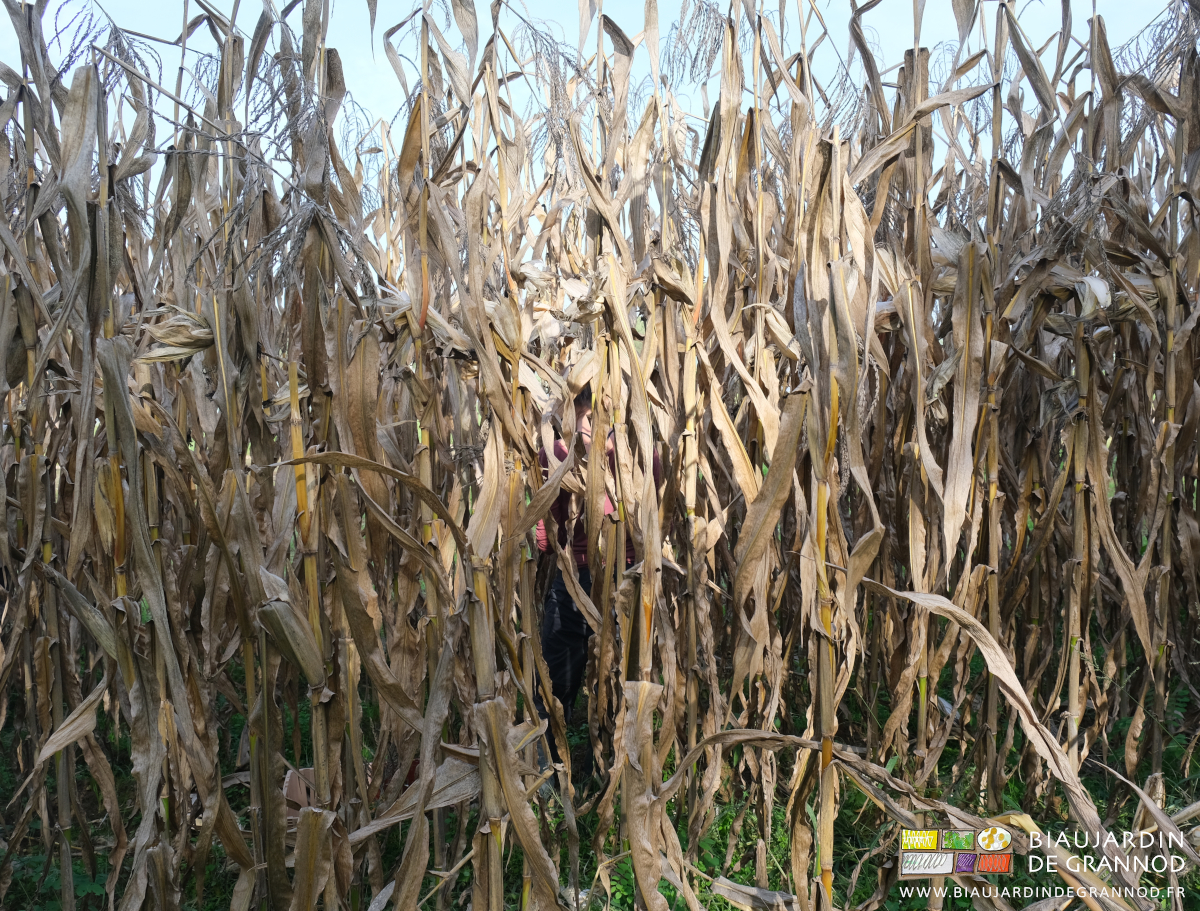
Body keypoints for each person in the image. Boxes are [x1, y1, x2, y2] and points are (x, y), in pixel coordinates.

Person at [533, 385, 660, 762]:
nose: (603, 431)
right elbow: (545, 536)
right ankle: (548, 768)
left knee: (622, 675)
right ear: (573, 420)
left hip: (625, 581)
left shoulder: (638, 456)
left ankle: (614, 767)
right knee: (556, 680)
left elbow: (653, 517)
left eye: (611, 421)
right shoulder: (556, 456)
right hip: (576, 580)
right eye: (592, 420)